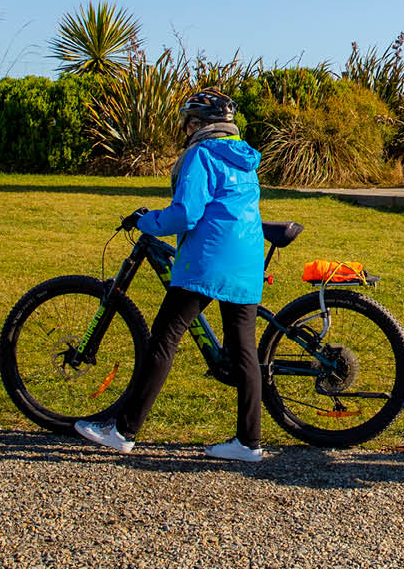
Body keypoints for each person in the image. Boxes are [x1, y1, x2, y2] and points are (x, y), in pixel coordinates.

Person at [73, 89, 267, 463]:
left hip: (207, 261)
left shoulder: (200, 155)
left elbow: (185, 215)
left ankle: (123, 431)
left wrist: (146, 220)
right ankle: (249, 443)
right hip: (246, 259)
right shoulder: (244, 158)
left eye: (188, 122)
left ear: (197, 124)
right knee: (244, 351)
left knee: (163, 339)